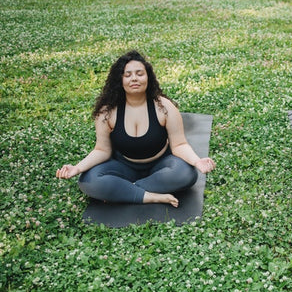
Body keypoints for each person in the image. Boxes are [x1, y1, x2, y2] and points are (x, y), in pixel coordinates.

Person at [57, 50, 215, 207]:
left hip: (162, 164)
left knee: (185, 174)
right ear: (120, 80)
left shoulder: (164, 106)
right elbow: (102, 150)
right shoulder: (107, 112)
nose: (134, 79)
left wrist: (197, 161)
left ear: (148, 77)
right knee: (88, 181)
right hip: (124, 166)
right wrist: (77, 168)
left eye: (140, 74)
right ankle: (152, 196)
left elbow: (179, 145)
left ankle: (124, 191)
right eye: (127, 75)